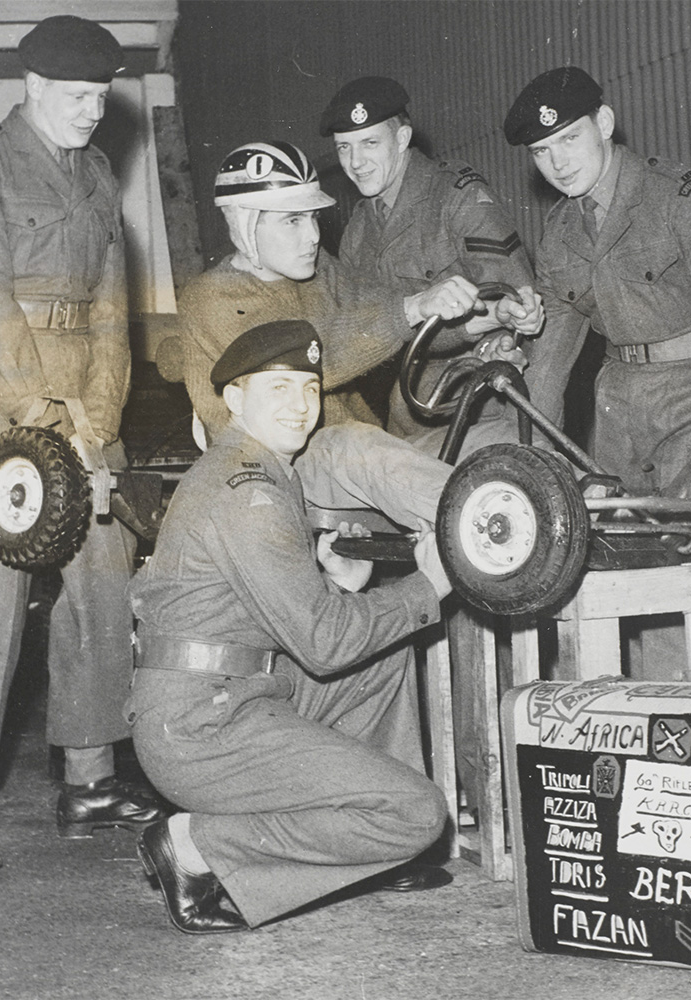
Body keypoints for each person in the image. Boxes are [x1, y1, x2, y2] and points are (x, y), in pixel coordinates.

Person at [128, 321, 455, 933]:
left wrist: (342, 586)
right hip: (201, 727)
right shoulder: (245, 489)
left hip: (233, 692)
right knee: (417, 812)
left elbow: (268, 613)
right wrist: (429, 584)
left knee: (381, 655)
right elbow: (325, 643)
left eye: (309, 388)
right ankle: (197, 845)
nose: (300, 407)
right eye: (278, 387)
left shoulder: (257, 470)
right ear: (233, 399)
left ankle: (371, 854)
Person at [0, 15, 166, 874]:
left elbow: (112, 312)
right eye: (78, 97)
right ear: (35, 87)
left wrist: (102, 418)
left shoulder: (94, 176)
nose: (92, 113)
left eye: (100, 97)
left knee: (98, 595)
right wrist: (39, 413)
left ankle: (89, 781)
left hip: (83, 418)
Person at [504, 65, 691, 498]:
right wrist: (530, 461)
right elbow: (547, 366)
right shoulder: (560, 233)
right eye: (541, 151)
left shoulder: (678, 200)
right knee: (620, 551)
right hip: (617, 415)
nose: (558, 164)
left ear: (604, 124)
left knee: (687, 546)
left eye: (569, 139)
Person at [180, 138, 523, 443]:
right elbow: (311, 364)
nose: (314, 236)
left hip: (366, 445)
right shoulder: (210, 298)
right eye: (293, 221)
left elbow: (389, 311)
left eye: (313, 218)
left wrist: (486, 319)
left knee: (506, 439)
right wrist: (415, 307)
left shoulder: (320, 271)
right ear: (245, 226)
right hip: (285, 463)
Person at [320, 75, 544, 454]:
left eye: (370, 143)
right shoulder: (359, 228)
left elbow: (514, 300)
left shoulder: (457, 197)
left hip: (479, 405)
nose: (356, 163)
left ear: (403, 139)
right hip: (408, 411)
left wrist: (501, 336)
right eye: (344, 148)